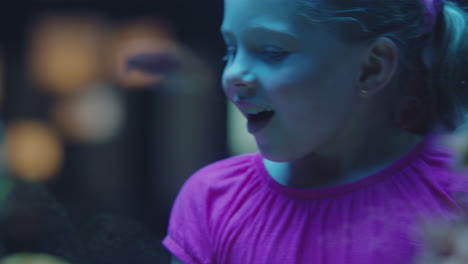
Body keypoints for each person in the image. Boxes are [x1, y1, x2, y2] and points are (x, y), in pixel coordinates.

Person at [163, 0, 468, 263]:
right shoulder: (212, 202)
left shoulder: (457, 194)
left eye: (272, 51)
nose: (232, 74)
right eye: (230, 49)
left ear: (371, 68)